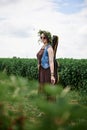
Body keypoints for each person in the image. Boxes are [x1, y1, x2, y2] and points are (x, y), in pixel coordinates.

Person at [36, 30, 58, 100]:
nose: (42, 39)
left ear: (47, 38)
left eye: (44, 37)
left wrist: (52, 75)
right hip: (41, 70)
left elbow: (51, 62)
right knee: (42, 87)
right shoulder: (43, 47)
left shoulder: (49, 48)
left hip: (47, 70)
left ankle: (50, 105)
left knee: (48, 87)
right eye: (41, 37)